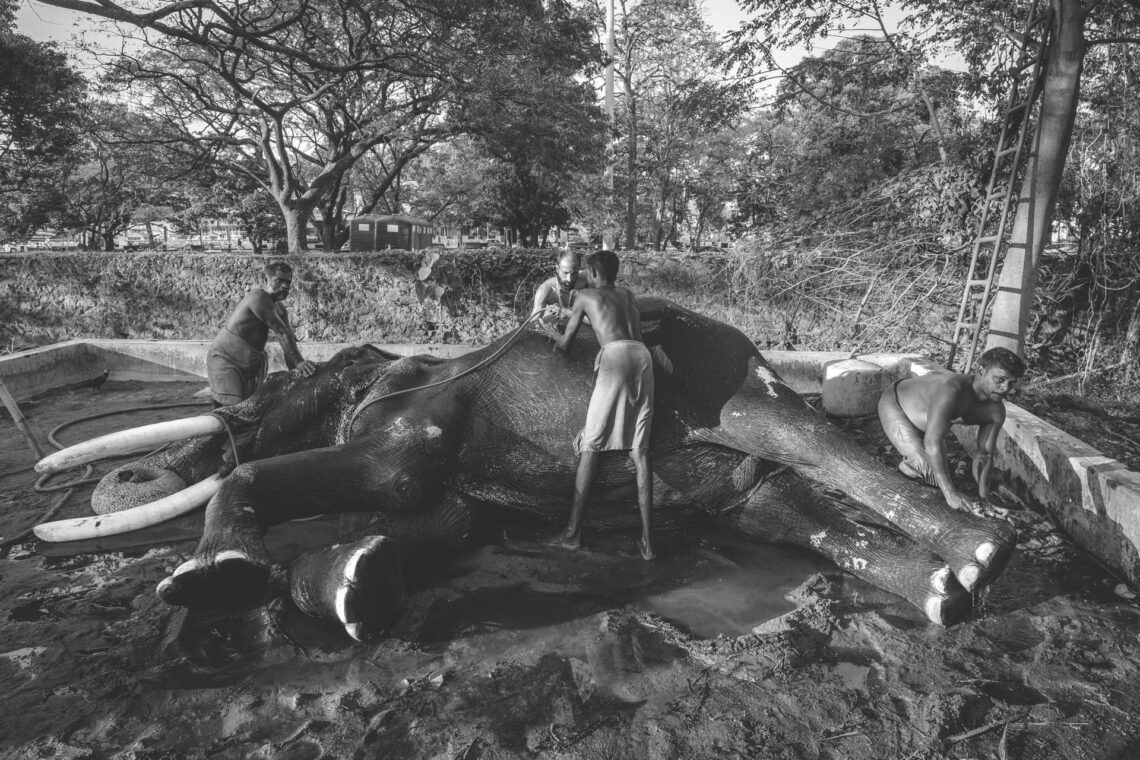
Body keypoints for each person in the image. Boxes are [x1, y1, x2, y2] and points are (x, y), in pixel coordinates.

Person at [544, 250, 656, 560]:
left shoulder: (584, 296)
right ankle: (647, 544)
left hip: (615, 358)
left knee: (590, 444)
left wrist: (547, 330)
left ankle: (571, 535)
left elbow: (565, 345)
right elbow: (612, 320)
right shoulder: (628, 294)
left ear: (592, 272)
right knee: (640, 451)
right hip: (642, 356)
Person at [877, 347, 1026, 511]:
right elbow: (933, 441)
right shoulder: (951, 390)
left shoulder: (996, 411)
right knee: (929, 470)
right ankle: (901, 481)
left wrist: (984, 498)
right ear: (980, 371)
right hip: (897, 404)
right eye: (999, 379)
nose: (1006, 388)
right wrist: (951, 493)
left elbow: (984, 455)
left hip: (928, 422)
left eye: (1011, 383)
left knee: (940, 472)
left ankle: (917, 467)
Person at [206, 260, 317, 407]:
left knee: (250, 408)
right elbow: (281, 332)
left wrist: (297, 374)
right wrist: (300, 363)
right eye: (279, 281)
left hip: (249, 365)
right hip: (226, 359)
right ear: (267, 280)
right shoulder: (258, 297)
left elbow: (288, 341)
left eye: (287, 282)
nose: (284, 286)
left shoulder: (280, 309)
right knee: (233, 411)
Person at [530, 250, 585, 322]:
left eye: (574, 273)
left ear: (578, 270)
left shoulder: (585, 281)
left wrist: (566, 312)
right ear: (557, 269)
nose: (569, 279)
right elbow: (533, 322)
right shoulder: (545, 290)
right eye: (565, 273)